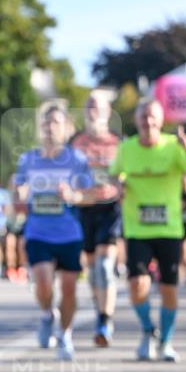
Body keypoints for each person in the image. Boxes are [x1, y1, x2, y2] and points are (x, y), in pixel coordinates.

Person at [108, 99, 186, 361]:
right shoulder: (127, 148)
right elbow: (113, 175)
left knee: (169, 290)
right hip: (137, 229)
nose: (148, 121)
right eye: (143, 116)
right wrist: (118, 185)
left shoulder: (173, 146)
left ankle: (166, 342)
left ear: (161, 120)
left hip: (169, 230)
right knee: (137, 285)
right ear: (136, 120)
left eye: (152, 116)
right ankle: (148, 330)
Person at [13, 103, 97, 361]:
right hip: (38, 231)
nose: (50, 127)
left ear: (66, 129)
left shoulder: (77, 160)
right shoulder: (28, 159)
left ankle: (65, 334)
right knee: (43, 282)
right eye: (46, 123)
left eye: (56, 123)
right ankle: (48, 313)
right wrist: (19, 194)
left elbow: (90, 196)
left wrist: (73, 195)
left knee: (69, 289)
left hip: (69, 233)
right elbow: (17, 192)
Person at [70, 90, 122, 346]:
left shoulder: (118, 144)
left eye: (98, 106)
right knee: (92, 271)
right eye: (89, 105)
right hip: (84, 208)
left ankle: (105, 321)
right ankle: (99, 307)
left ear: (107, 112)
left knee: (104, 267)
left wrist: (121, 185)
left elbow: (125, 175)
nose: (93, 110)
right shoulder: (76, 143)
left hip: (109, 208)